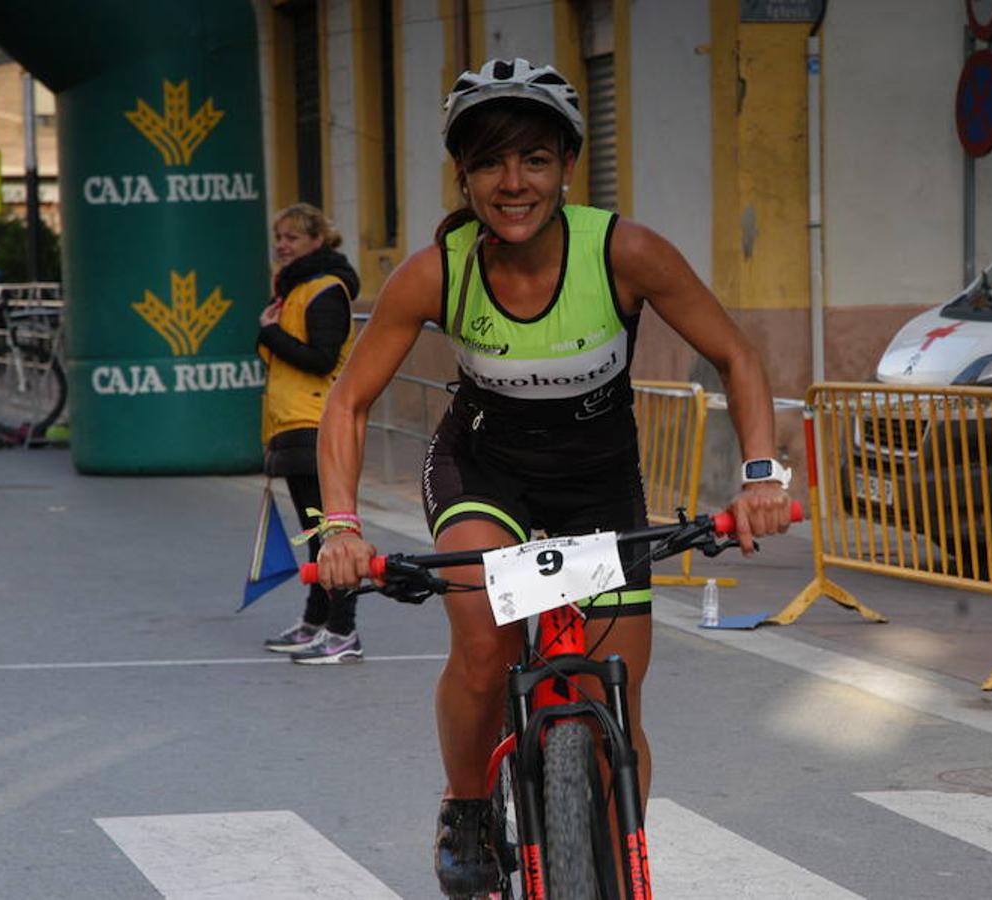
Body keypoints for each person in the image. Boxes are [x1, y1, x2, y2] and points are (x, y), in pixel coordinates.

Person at [312, 58, 794, 896]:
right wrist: (342, 526)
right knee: (484, 642)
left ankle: (605, 858)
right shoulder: (437, 271)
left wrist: (759, 477)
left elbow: (734, 354)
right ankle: (466, 810)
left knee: (617, 700)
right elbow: (347, 402)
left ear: (567, 166)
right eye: (491, 162)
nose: (513, 182)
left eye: (534, 159)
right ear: (462, 176)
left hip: (597, 488)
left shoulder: (626, 253)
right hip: (482, 472)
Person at [258, 203, 364, 664]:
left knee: (331, 534)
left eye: (293, 237)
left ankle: (343, 632)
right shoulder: (294, 291)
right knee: (313, 534)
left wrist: (269, 334)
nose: (282, 244)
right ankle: (315, 622)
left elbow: (322, 358)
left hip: (318, 425)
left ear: (317, 241)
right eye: (279, 236)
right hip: (293, 425)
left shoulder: (326, 290)